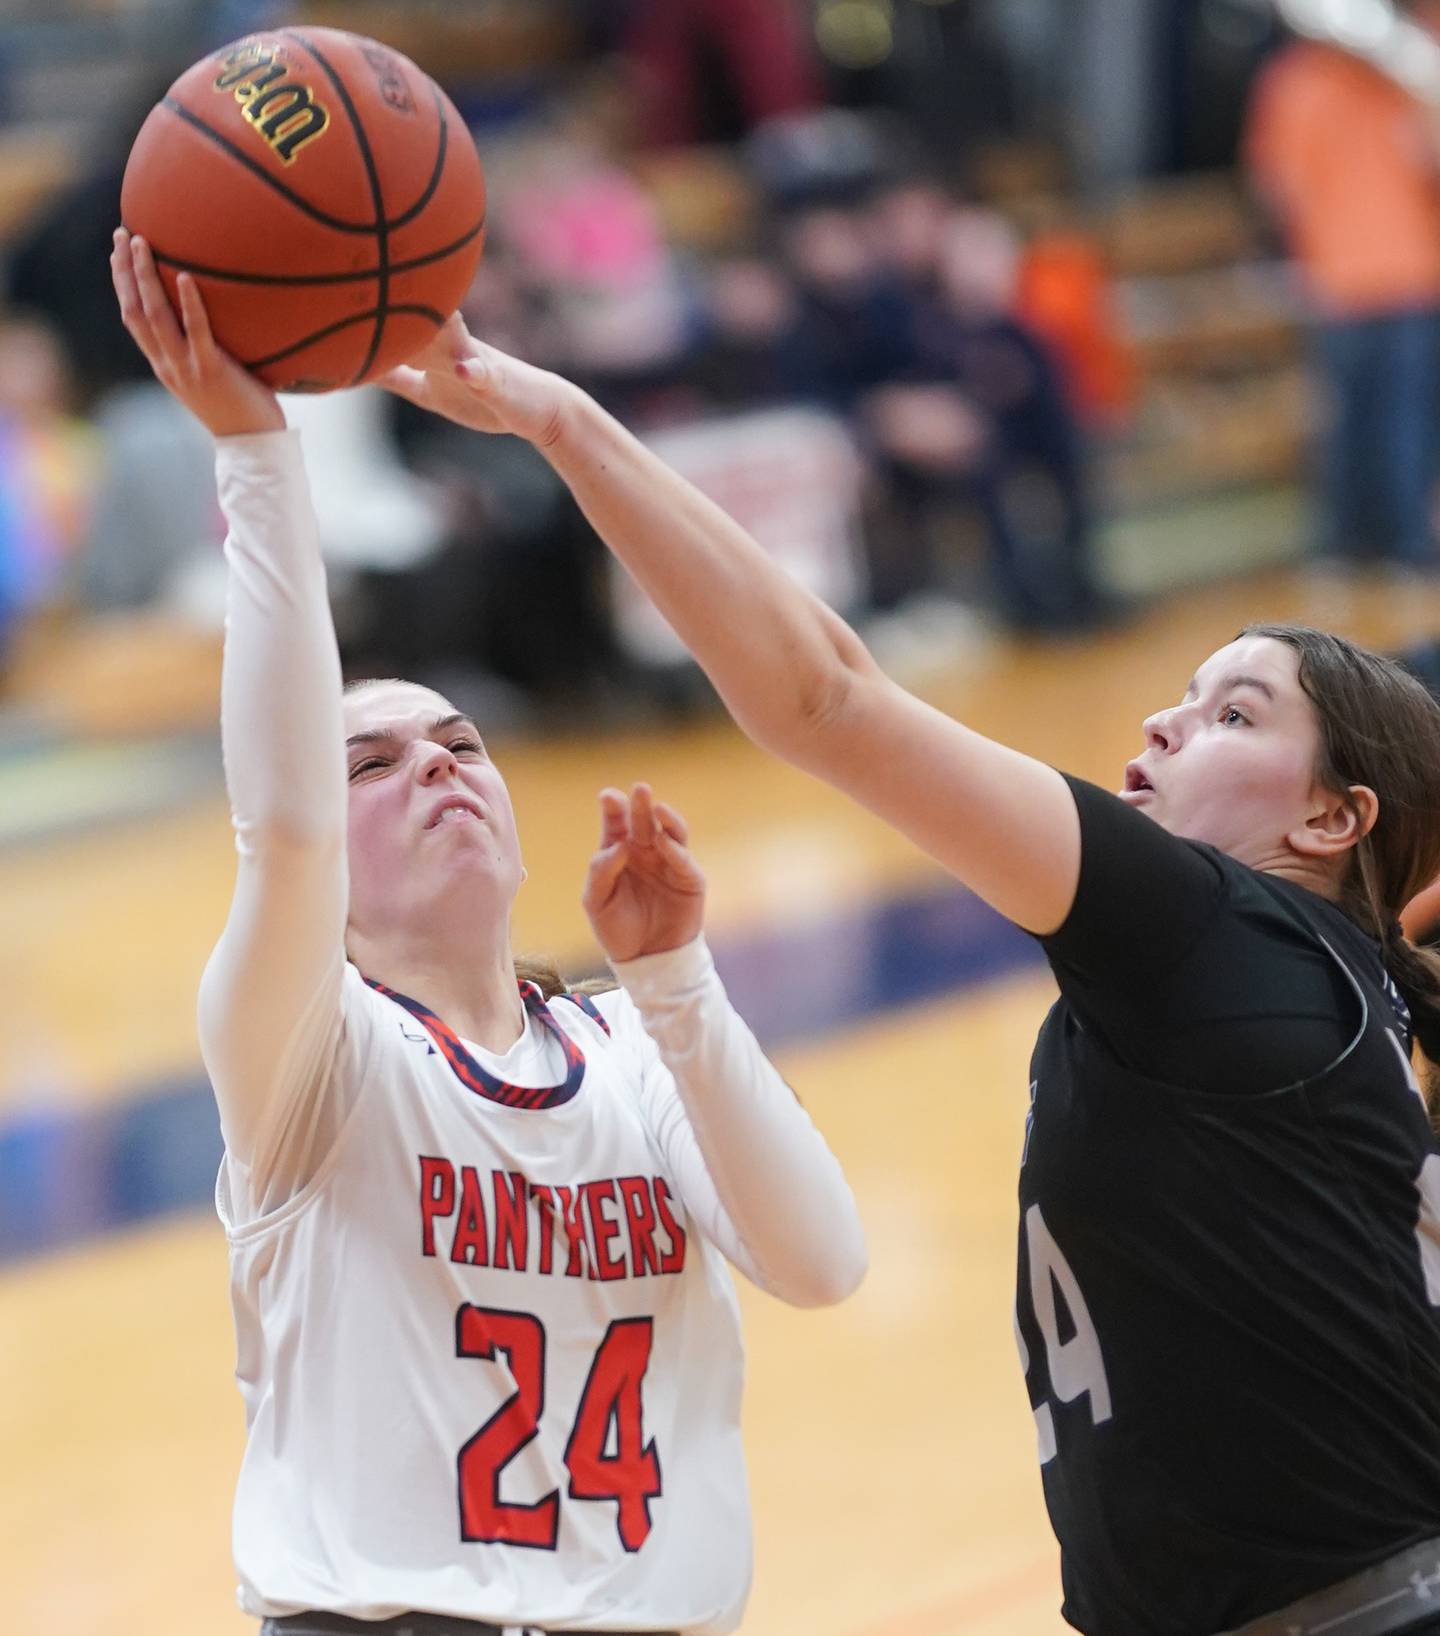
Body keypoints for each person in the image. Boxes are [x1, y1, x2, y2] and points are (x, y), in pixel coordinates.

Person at [385, 316, 1440, 1635]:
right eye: (1186, 689)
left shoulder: (1219, 932)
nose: (1169, 719)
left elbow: (825, 698)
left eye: (1237, 715)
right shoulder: (1311, 999)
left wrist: (565, 425)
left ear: (1332, 823)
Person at [108, 229, 866, 1636]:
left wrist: (677, 979)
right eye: (375, 764)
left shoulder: (639, 1041)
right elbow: (279, 828)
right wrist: (258, 461)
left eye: (458, 742)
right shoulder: (307, 1060)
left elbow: (823, 1266)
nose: (438, 765)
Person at [1245, 3, 1440, 579]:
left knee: (1361, 424)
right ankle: (1397, 549)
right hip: (1387, 279)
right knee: (1390, 426)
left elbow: (1273, 188)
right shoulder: (1395, 74)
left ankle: (1352, 550)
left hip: (1364, 279)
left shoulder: (1388, 72)